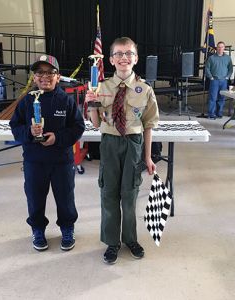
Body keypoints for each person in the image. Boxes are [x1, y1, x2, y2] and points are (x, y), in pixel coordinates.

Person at [85, 37, 159, 264]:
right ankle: (112, 242)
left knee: (130, 194)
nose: (124, 58)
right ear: (111, 59)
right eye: (119, 53)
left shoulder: (145, 89)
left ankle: (130, 238)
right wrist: (92, 104)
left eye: (129, 53)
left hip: (133, 144)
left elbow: (148, 125)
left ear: (136, 58)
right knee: (108, 194)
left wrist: (147, 156)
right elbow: (96, 124)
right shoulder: (101, 87)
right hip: (109, 144)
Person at [10, 55, 85, 252]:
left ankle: (67, 228)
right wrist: (28, 132)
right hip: (34, 161)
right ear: (34, 78)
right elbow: (15, 126)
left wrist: (57, 138)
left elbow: (78, 127)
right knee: (35, 197)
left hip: (61, 161)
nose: (45, 77)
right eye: (40, 73)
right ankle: (38, 229)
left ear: (58, 76)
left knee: (65, 198)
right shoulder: (27, 101)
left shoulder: (66, 100)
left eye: (50, 72)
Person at [205, 41, 233, 119]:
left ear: (224, 48)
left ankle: (219, 113)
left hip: (224, 81)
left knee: (222, 98)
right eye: (219, 47)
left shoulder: (228, 58)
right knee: (212, 98)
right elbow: (207, 69)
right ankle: (211, 114)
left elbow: (230, 69)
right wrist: (211, 77)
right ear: (216, 48)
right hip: (214, 81)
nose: (220, 48)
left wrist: (227, 77)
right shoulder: (211, 58)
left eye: (222, 47)